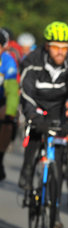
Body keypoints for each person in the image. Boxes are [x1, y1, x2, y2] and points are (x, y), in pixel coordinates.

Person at [18, 21, 68, 228]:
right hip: (37, 106)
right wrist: (32, 116)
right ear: (47, 46)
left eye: (64, 48)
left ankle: (54, 212)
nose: (60, 52)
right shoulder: (32, 60)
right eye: (56, 47)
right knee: (36, 136)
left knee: (59, 160)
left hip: (58, 108)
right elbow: (26, 91)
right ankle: (27, 171)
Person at [0, 30, 19, 181]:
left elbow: (12, 90)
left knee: (9, 121)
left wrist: (10, 113)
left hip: (2, 100)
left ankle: (0, 157)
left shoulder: (7, 61)